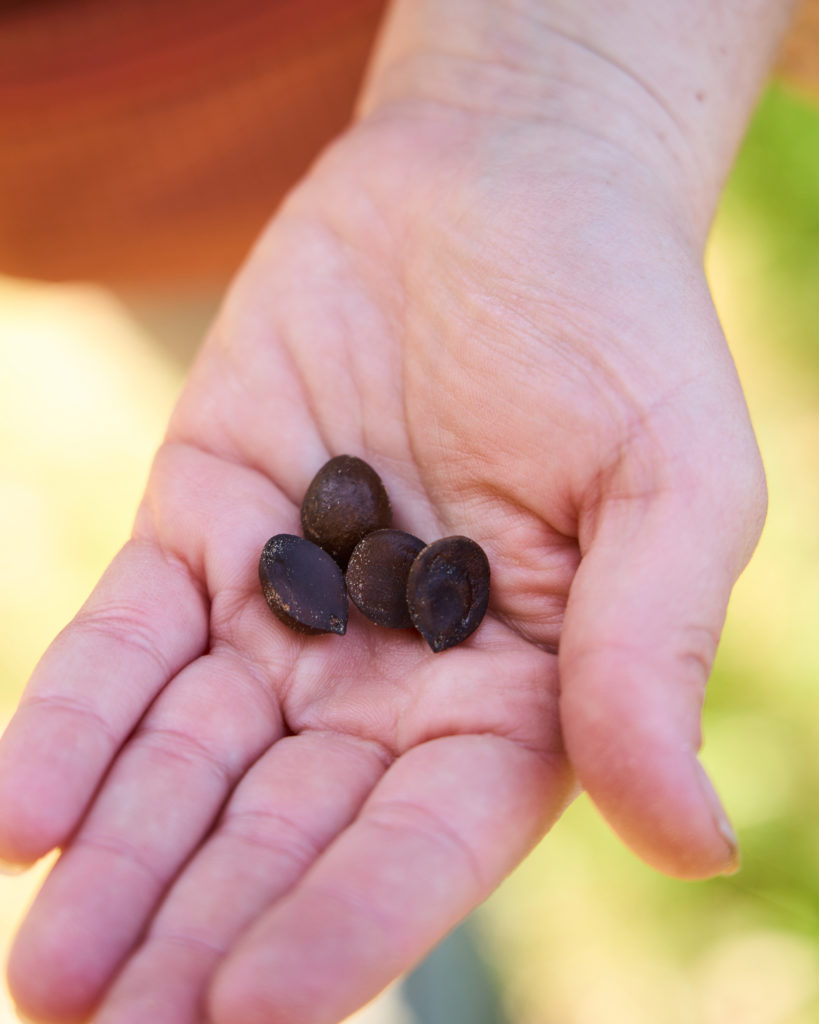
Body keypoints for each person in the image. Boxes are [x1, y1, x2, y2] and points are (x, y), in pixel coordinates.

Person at [0, 0, 810, 1021]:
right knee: (235, 372)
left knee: (368, 787)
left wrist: (556, 82)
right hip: (76, 179)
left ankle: (441, 969)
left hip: (413, 68)